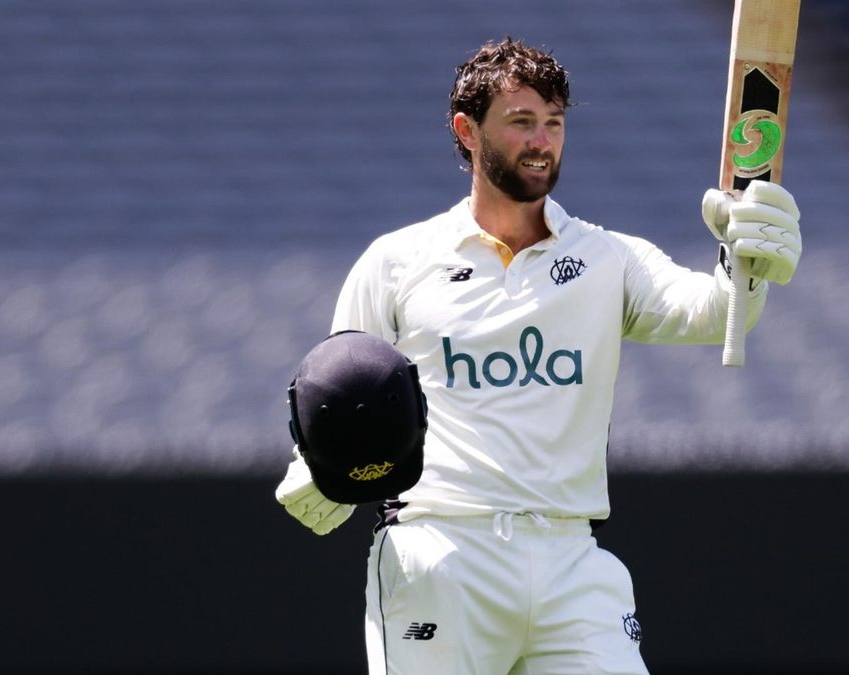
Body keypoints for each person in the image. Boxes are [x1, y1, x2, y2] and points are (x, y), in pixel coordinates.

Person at [276, 36, 802, 675]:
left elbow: (717, 314)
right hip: (442, 552)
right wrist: (323, 465)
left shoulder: (608, 257)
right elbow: (341, 384)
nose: (542, 141)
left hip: (572, 560)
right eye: (521, 122)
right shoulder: (396, 262)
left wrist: (747, 264)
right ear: (467, 132)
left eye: (553, 123)